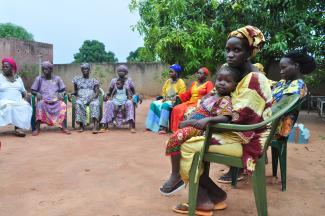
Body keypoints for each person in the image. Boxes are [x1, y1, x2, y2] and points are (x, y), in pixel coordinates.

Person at [171, 26, 272, 215]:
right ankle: (216, 194)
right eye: (228, 50)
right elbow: (216, 100)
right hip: (241, 133)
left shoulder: (254, 80)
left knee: (187, 145)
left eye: (237, 50)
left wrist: (202, 124)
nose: (230, 55)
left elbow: (239, 120)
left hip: (247, 140)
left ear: (250, 52)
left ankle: (201, 200)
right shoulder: (240, 75)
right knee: (186, 134)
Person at [160, 64, 241, 196]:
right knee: (177, 133)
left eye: (227, 81)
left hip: (200, 127)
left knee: (175, 138)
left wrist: (207, 120)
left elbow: (225, 117)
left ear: (235, 85)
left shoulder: (225, 99)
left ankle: (176, 175)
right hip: (194, 123)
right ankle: (179, 172)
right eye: (220, 79)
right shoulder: (212, 96)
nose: (222, 83)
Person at [272, 50, 316, 137]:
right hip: (269, 122)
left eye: (284, 67)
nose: (281, 72)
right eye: (280, 68)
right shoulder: (284, 82)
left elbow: (277, 109)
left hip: (275, 128)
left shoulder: (298, 85)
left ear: (296, 65)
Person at [31, 61, 70, 136]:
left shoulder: (57, 79)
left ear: (51, 70)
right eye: (43, 69)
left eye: (46, 69)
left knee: (62, 105)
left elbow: (64, 90)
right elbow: (32, 90)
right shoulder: (39, 79)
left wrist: (61, 94)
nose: (44, 71)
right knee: (39, 105)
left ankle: (64, 127)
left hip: (55, 101)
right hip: (44, 101)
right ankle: (37, 128)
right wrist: (37, 93)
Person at [170, 67, 214, 132]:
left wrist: (203, 99)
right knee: (176, 108)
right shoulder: (194, 83)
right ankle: (175, 129)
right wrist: (178, 96)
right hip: (190, 102)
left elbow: (210, 95)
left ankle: (185, 130)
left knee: (187, 111)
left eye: (200, 73)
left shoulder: (208, 83)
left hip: (199, 104)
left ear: (205, 76)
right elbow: (188, 94)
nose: (198, 74)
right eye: (197, 73)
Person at [145, 64, 186, 133]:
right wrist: (164, 96)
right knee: (153, 104)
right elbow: (163, 90)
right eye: (169, 71)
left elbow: (181, 95)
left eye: (171, 72)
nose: (169, 73)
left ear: (177, 73)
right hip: (166, 99)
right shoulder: (168, 81)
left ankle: (163, 127)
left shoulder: (181, 82)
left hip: (174, 101)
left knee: (165, 105)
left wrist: (173, 99)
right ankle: (151, 125)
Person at [0, 57, 32, 137]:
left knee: (25, 106)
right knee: (9, 106)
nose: (4, 68)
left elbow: (23, 91)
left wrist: (26, 95)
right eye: (3, 66)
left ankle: (18, 128)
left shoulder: (18, 79)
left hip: (18, 101)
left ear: (12, 68)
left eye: (6, 67)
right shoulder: (0, 78)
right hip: (4, 101)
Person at [101, 65, 136, 133]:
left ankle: (131, 126)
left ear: (126, 72)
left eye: (123, 71)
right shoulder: (114, 81)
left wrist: (136, 96)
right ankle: (105, 125)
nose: (121, 72)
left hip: (125, 100)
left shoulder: (129, 81)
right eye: (119, 71)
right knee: (108, 103)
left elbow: (133, 91)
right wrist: (106, 95)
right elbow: (110, 91)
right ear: (117, 72)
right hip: (116, 100)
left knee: (129, 103)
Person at [71, 63, 101, 133]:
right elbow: (75, 91)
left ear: (89, 70)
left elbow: (97, 92)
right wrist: (71, 94)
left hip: (92, 98)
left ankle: (95, 126)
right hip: (81, 99)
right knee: (78, 103)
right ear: (81, 70)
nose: (85, 70)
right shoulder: (77, 80)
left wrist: (91, 99)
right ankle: (81, 125)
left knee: (95, 104)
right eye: (83, 69)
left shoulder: (94, 80)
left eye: (86, 68)